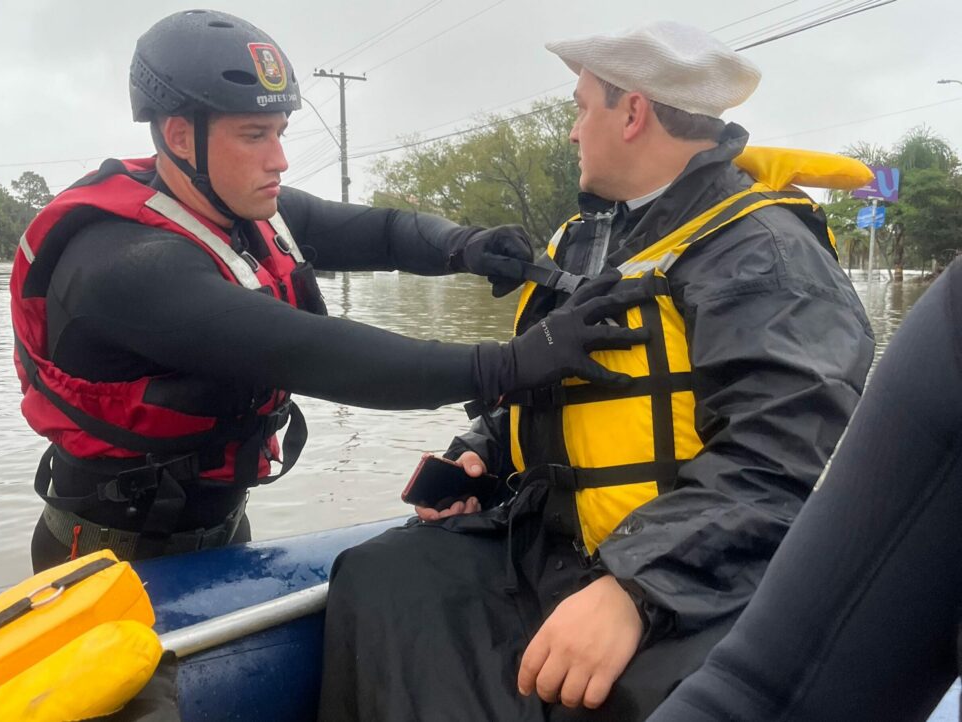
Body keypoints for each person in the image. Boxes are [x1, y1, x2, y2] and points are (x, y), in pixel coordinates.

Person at [318, 20, 875, 722]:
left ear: (633, 112)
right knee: (383, 578)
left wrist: (634, 589)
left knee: (656, 698)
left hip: (701, 574)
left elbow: (783, 453)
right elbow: (568, 390)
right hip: (551, 548)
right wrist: (483, 452)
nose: (575, 132)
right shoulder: (587, 241)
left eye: (584, 108)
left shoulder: (762, 249)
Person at [11, 9, 650, 572]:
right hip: (106, 548)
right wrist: (517, 361)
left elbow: (385, 231)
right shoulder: (126, 266)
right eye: (254, 136)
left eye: (281, 132)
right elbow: (326, 356)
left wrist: (468, 245)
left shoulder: (241, 207)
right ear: (181, 137)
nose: (280, 159)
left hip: (218, 524)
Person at [642, 258, 962, 721]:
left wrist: (638, 586)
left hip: (671, 581)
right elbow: (757, 692)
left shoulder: (771, 255)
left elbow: (775, 458)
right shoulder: (953, 328)